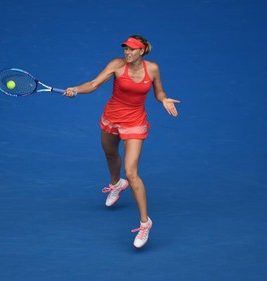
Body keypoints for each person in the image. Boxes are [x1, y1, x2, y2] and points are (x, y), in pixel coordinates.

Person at [64, 35, 180, 248]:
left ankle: (145, 223)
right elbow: (94, 83)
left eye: (132, 50)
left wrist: (163, 99)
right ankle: (117, 184)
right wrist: (76, 90)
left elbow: (159, 90)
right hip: (112, 117)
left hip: (135, 121)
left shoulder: (152, 69)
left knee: (132, 172)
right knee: (109, 153)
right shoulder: (117, 65)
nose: (127, 53)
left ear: (141, 51)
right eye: (125, 49)